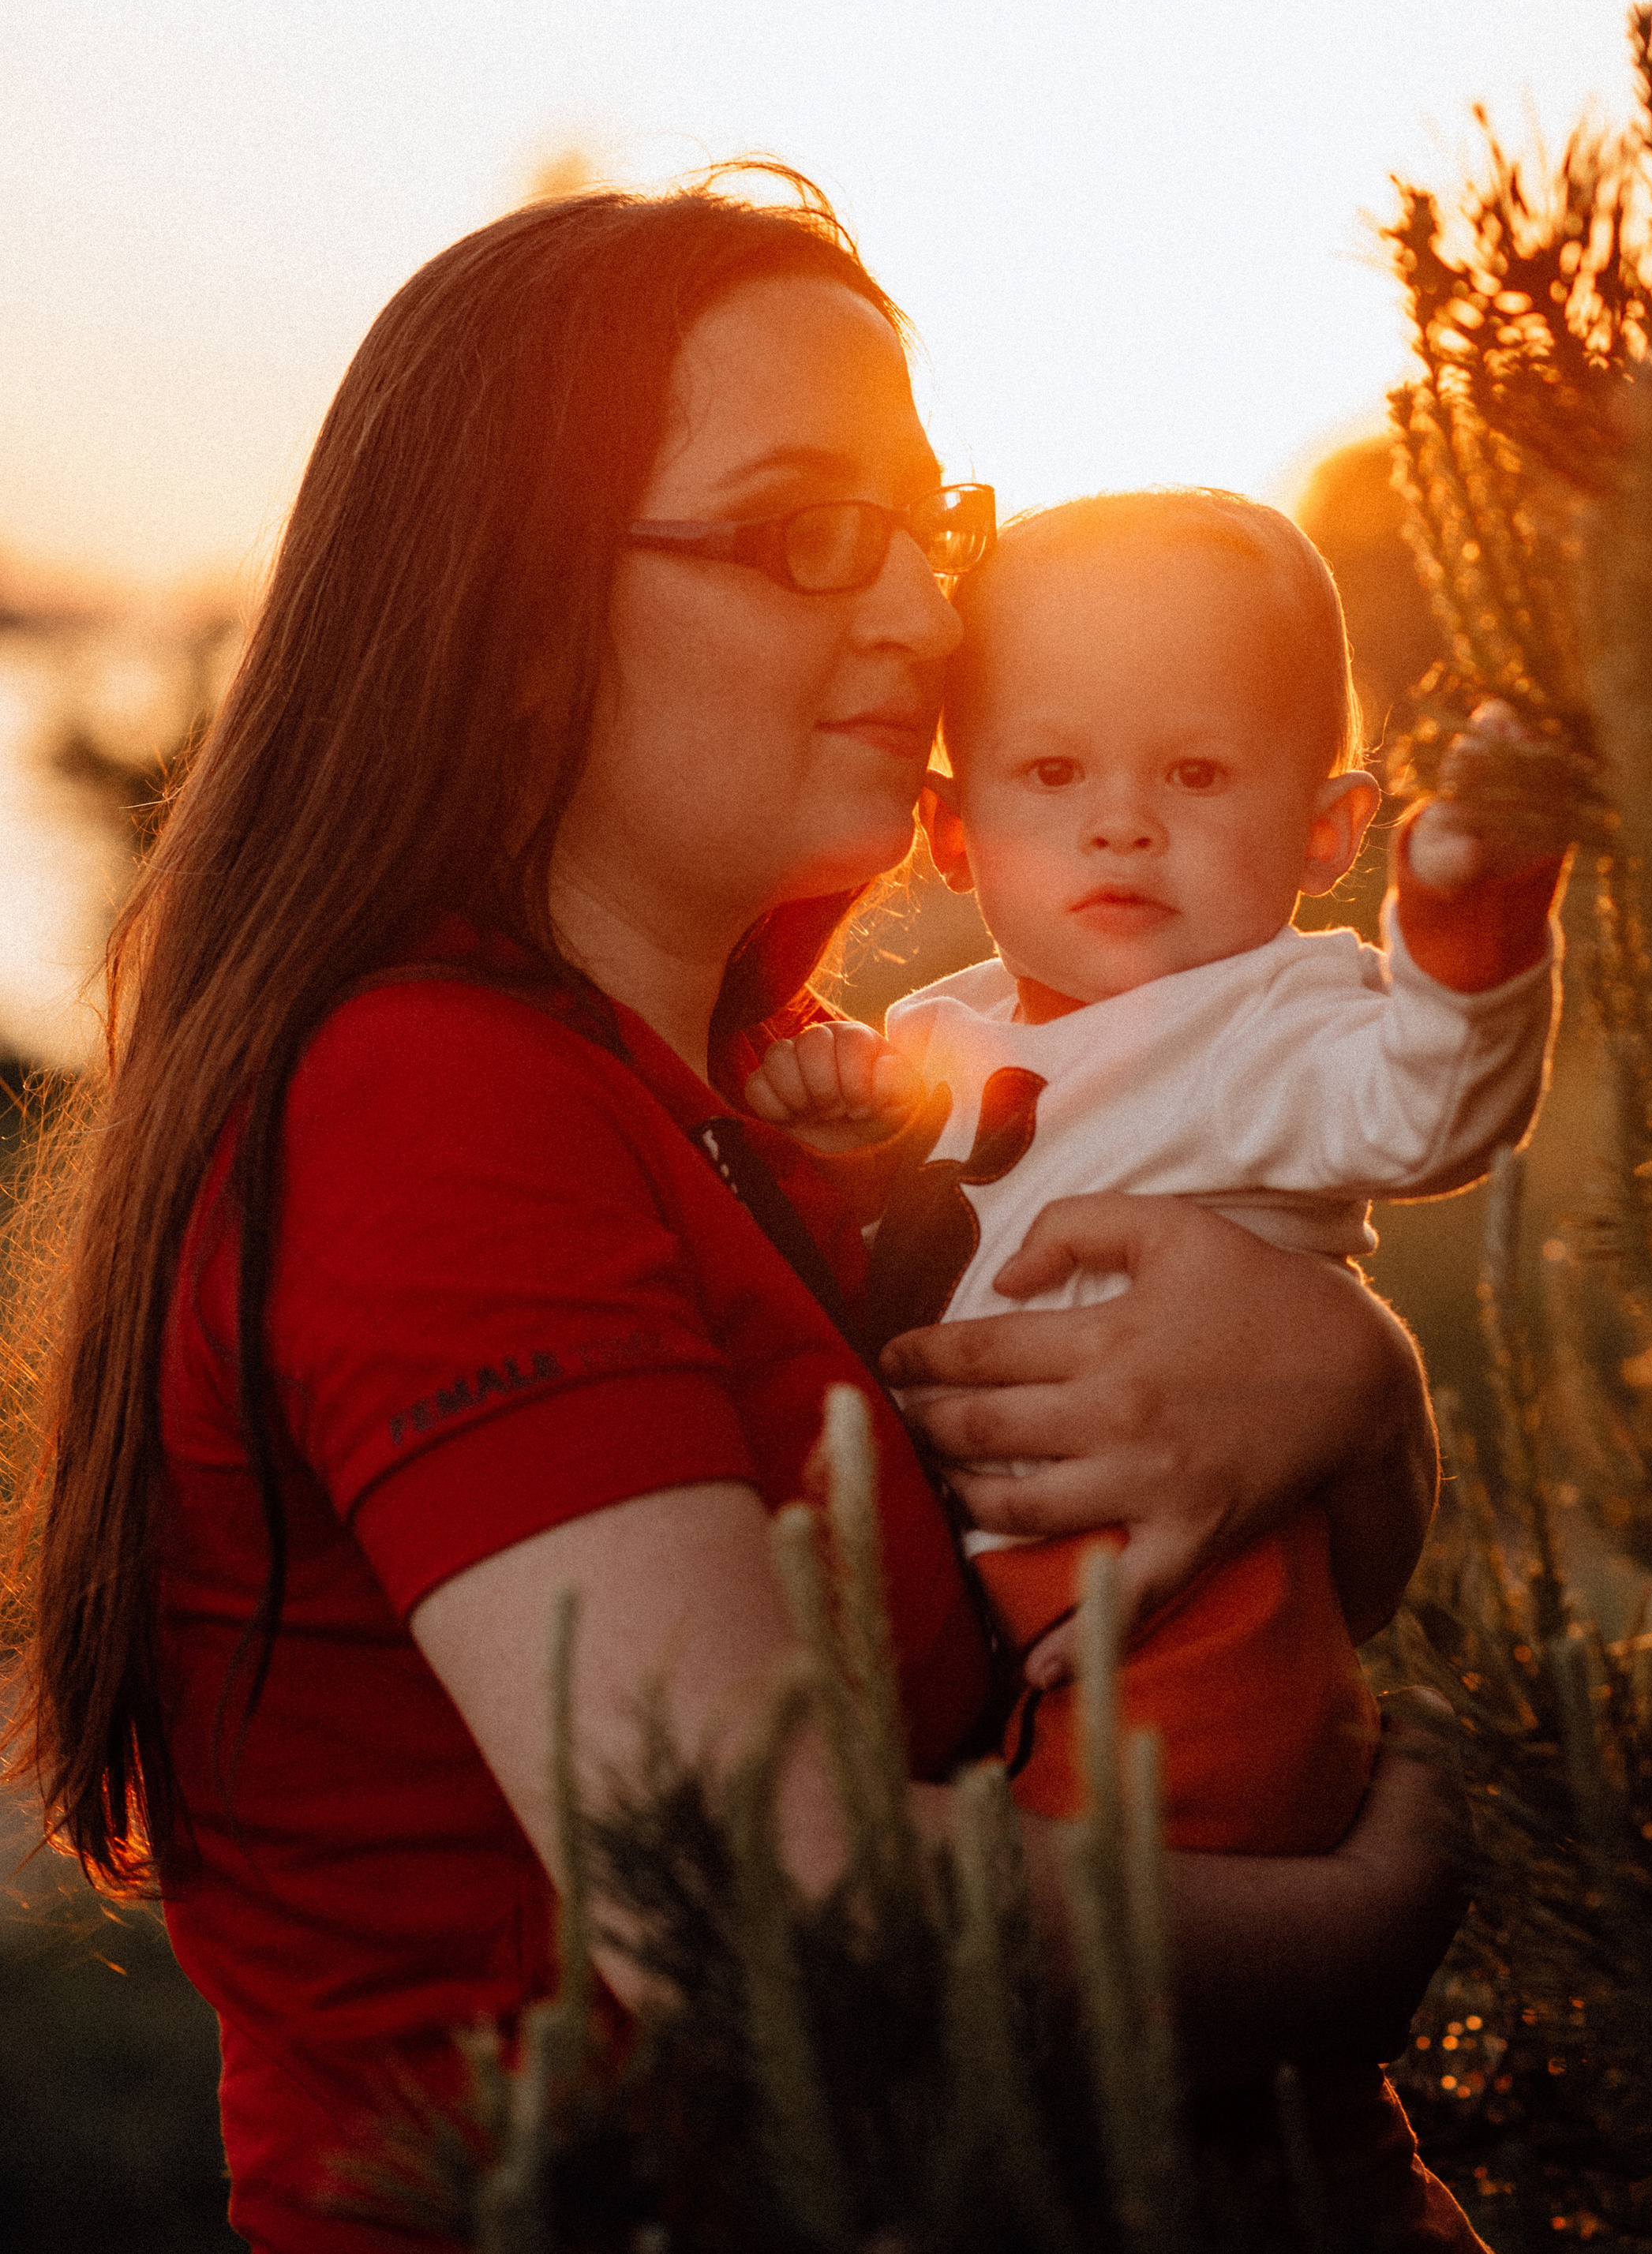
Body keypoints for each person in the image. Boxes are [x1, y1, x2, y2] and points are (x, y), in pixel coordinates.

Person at [6, 178, 1471, 2254]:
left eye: (922, 529)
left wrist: (1353, 1369)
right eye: (806, 533)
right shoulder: (432, 1108)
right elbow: (773, 1923)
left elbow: (1193, 1544)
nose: (918, 616)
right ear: (517, 618)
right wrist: (1355, 1937)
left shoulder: (755, 1108)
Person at [748, 492, 1570, 1864]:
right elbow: (907, 1240)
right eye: (1055, 773)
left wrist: (1466, 931)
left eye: (1194, 774)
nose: (1122, 822)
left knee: (1151, 1938)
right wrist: (848, 1137)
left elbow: (1431, 1105)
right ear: (954, 831)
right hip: (987, 1603)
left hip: (1191, 1604)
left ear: (1328, 829)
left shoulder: (1276, 1018)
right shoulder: (940, 1031)